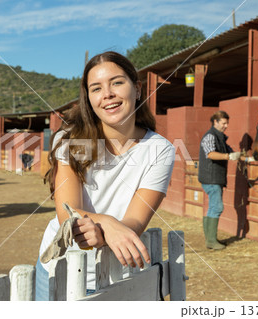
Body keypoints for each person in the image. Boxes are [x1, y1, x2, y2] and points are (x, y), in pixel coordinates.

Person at [35, 51, 175, 300]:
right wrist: (107, 223)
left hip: (115, 276)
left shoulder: (160, 150)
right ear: (89, 99)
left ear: (138, 89)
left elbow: (136, 221)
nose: (107, 94)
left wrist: (104, 231)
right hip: (60, 271)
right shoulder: (69, 140)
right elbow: (68, 213)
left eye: (117, 83)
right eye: (96, 88)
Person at [198, 111, 250, 250]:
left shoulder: (220, 138)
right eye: (223, 123)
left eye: (227, 123)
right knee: (217, 207)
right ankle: (211, 241)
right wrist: (228, 156)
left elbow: (232, 154)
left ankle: (210, 239)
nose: (226, 126)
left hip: (214, 178)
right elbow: (210, 154)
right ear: (215, 122)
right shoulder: (210, 136)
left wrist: (247, 158)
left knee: (212, 207)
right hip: (211, 178)